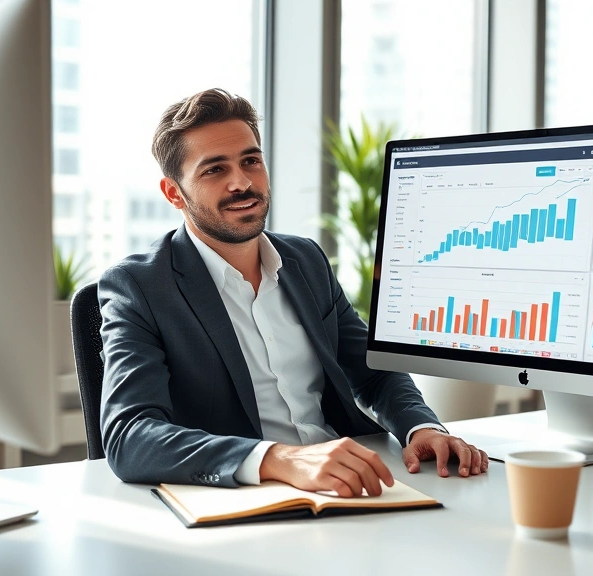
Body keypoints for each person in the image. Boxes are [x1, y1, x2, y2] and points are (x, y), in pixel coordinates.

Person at [98, 88, 488, 498]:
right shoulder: (139, 287)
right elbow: (130, 436)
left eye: (251, 161)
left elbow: (373, 372)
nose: (242, 182)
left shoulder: (306, 260)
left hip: (350, 483)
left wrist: (421, 426)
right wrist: (277, 459)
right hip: (248, 496)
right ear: (174, 193)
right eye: (214, 170)